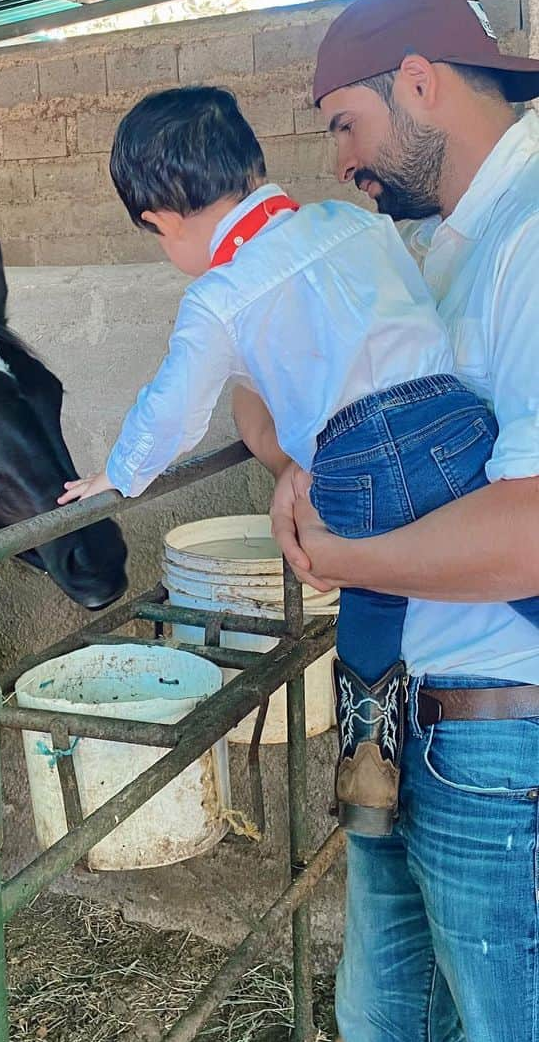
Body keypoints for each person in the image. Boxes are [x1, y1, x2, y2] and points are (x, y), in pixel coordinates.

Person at [58, 83, 539, 838]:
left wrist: (117, 474)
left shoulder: (219, 297)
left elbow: (172, 413)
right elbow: (412, 310)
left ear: (161, 221)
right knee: (495, 550)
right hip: (452, 418)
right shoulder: (352, 223)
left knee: (368, 585)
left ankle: (367, 759)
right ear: (252, 166)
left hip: (349, 460)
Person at [233, 0, 539, 1042]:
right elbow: (263, 400)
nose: (344, 162)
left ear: (419, 83)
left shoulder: (533, 241)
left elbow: (534, 530)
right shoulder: (437, 247)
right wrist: (300, 464)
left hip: (505, 734)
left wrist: (341, 556)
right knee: (393, 1036)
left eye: (346, 126)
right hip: (406, 712)